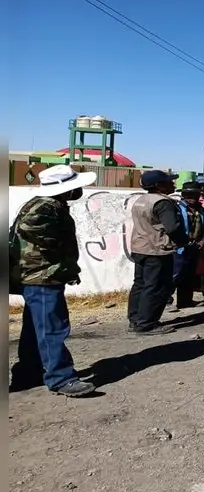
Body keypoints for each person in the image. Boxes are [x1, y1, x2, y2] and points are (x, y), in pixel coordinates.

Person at [9, 165, 97, 396]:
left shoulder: (46, 204)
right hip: (42, 277)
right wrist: (57, 251)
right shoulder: (46, 207)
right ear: (65, 189)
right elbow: (30, 228)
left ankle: (27, 373)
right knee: (52, 329)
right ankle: (61, 378)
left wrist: (67, 267)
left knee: (35, 328)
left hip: (41, 276)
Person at [129, 170, 190, 334]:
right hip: (157, 249)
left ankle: (135, 320)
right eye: (169, 181)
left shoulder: (141, 200)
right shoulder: (163, 202)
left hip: (139, 247)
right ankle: (147, 324)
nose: (173, 184)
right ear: (158, 185)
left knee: (140, 285)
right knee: (156, 286)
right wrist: (184, 241)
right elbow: (172, 227)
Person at [173, 182, 204, 309]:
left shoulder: (201, 210)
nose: (192, 198)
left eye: (195, 195)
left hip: (195, 247)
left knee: (189, 276)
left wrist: (203, 241)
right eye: (189, 195)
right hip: (179, 248)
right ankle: (167, 302)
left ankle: (185, 301)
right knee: (175, 275)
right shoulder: (176, 209)